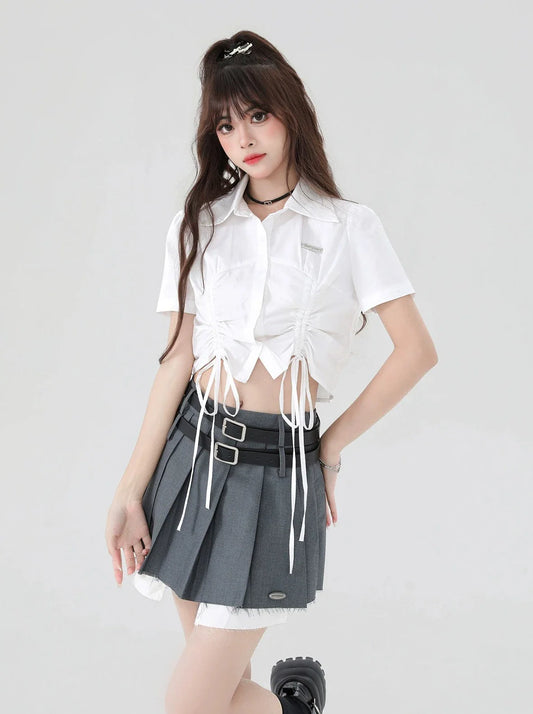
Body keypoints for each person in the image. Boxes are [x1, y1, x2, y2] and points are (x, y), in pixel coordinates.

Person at [104, 30, 438, 714]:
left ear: (290, 111)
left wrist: (329, 447)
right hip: (188, 463)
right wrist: (129, 489)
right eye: (225, 125)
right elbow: (177, 361)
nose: (243, 138)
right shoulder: (198, 225)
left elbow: (416, 351)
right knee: (223, 692)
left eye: (257, 114)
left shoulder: (347, 228)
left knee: (192, 705)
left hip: (276, 474)